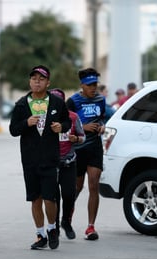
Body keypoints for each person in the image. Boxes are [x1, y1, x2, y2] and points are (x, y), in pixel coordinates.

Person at [9, 65, 71, 250]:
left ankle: (52, 228)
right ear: (30, 81)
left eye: (41, 79)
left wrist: (62, 127)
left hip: (50, 158)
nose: (37, 81)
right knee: (35, 198)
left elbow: (67, 121)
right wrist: (26, 123)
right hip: (29, 159)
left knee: (49, 198)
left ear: (48, 83)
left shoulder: (57, 103)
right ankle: (40, 234)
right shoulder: (21, 104)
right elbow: (13, 130)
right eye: (34, 78)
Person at [66, 68, 105, 241]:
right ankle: (66, 218)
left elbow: (102, 117)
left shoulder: (100, 100)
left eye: (95, 84)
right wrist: (84, 127)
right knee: (77, 187)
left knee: (94, 184)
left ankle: (91, 227)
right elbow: (66, 125)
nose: (93, 88)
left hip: (95, 147)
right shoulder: (73, 101)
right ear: (82, 85)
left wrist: (102, 126)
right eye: (90, 85)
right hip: (78, 148)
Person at [49, 88, 86, 240]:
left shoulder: (73, 117)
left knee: (69, 195)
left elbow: (82, 137)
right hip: (52, 164)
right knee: (54, 197)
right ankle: (56, 226)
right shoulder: (46, 119)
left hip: (69, 162)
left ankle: (66, 221)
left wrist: (75, 139)